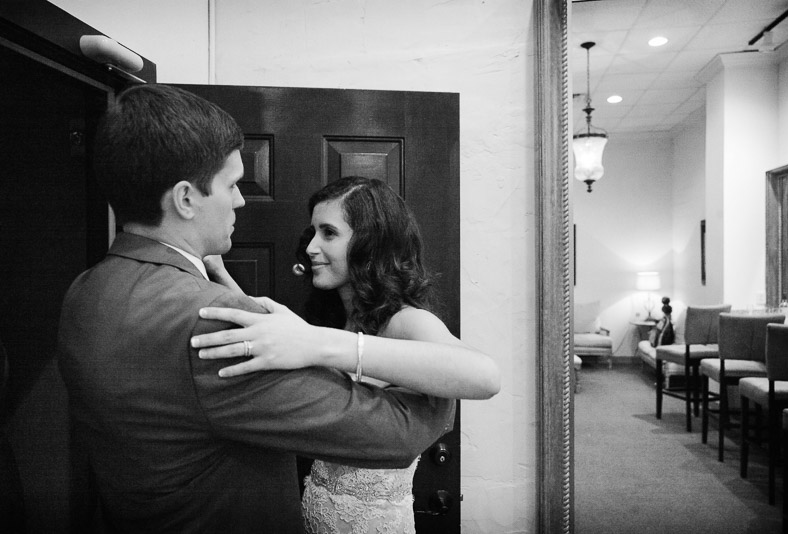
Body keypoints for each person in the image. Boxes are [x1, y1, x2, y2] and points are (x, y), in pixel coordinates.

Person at [57, 84, 465, 533]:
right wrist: (445, 382)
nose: (240, 199)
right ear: (185, 199)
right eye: (231, 184)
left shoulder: (86, 290)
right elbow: (399, 431)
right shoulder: (213, 320)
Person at [191, 176, 501, 533]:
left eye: (329, 233)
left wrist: (318, 344)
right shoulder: (337, 319)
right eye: (313, 232)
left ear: (371, 245)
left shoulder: (406, 321)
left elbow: (485, 377)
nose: (310, 247)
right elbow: (268, 337)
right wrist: (218, 271)